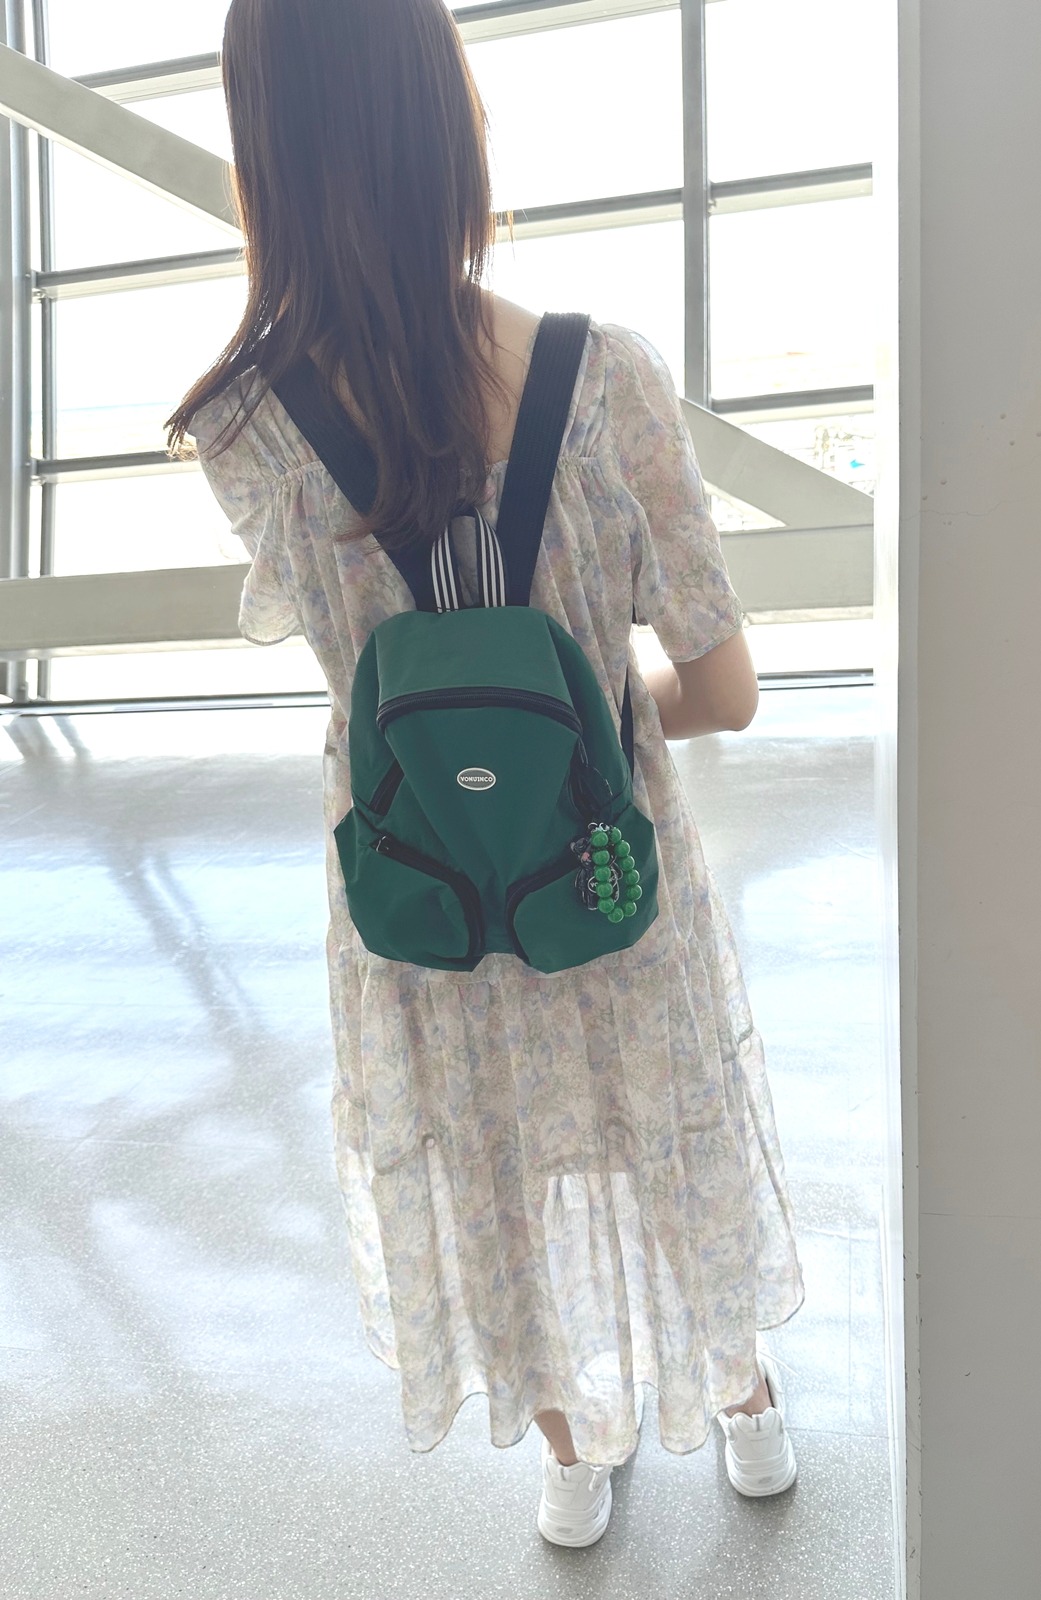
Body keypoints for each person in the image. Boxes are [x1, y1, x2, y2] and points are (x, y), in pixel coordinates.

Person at [168, 0, 805, 1547]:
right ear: (450, 126)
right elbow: (721, 689)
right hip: (607, 870)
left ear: (265, 151)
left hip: (422, 907)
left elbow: (366, 694)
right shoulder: (606, 376)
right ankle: (742, 1403)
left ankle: (570, 1451)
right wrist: (604, 709)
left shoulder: (245, 431)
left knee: (488, 1169)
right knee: (666, 1134)